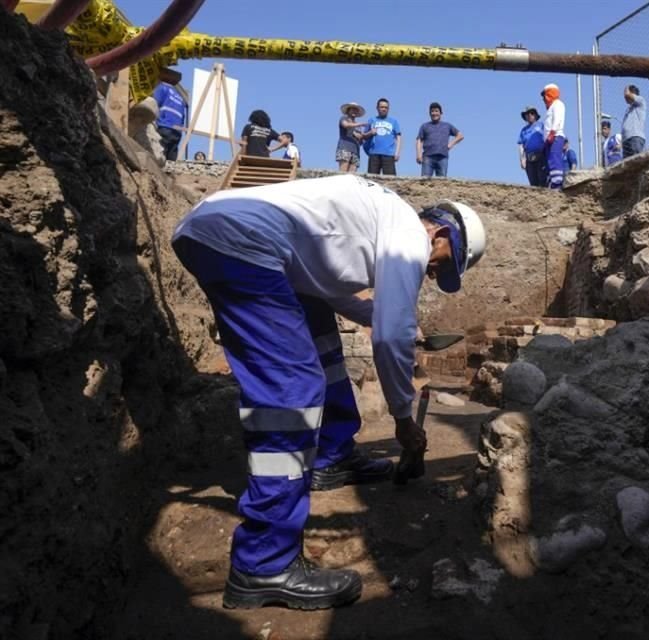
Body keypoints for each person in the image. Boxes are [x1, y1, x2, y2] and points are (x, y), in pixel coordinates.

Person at [171, 174, 487, 610]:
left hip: (223, 229)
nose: (434, 273)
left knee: (319, 333)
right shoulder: (409, 236)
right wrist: (402, 419)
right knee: (291, 392)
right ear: (440, 232)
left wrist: (391, 322)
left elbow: (336, 297)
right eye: (443, 263)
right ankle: (263, 565)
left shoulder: (376, 219)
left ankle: (331, 458)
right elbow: (389, 337)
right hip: (240, 242)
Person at [415, 102, 464, 178]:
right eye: (432, 111)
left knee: (441, 183)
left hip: (442, 157)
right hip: (428, 157)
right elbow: (419, 140)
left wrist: (450, 145)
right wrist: (418, 154)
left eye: (436, 111)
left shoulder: (447, 126)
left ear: (441, 113)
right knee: (424, 182)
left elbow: (460, 135)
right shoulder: (424, 126)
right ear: (430, 113)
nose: (434, 113)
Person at [362, 98, 402, 175]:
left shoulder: (393, 121)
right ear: (377, 108)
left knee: (390, 181)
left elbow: (399, 138)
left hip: (389, 154)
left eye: (386, 107)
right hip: (374, 154)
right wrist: (370, 133)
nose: (384, 109)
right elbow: (363, 136)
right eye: (382, 107)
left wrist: (397, 153)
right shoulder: (371, 120)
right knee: (372, 181)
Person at [153, 80, 187, 161]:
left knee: (159, 156)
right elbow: (183, 117)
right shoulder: (180, 98)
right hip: (177, 131)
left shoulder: (162, 87)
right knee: (171, 160)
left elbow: (153, 104)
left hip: (165, 126)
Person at [541, 83, 566, 190]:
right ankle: (552, 182)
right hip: (550, 139)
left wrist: (552, 133)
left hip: (555, 137)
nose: (543, 99)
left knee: (555, 159)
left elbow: (557, 119)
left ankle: (557, 183)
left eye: (545, 95)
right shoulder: (551, 107)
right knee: (550, 161)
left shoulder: (557, 104)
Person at [517, 106, 546, 187]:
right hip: (529, 158)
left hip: (541, 156)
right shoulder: (524, 130)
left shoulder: (542, 126)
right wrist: (522, 159)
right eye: (527, 114)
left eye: (532, 113)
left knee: (542, 179)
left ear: (536, 115)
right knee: (533, 182)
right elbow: (521, 145)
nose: (529, 115)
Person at [336, 102, 367, 173]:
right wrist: (361, 124)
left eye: (356, 110)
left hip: (356, 151)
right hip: (345, 149)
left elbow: (360, 142)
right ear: (348, 110)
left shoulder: (358, 126)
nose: (354, 111)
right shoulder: (344, 118)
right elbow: (345, 125)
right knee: (342, 175)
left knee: (352, 177)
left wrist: (362, 137)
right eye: (352, 109)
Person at [622, 85, 646, 159]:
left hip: (635, 137)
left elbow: (627, 95)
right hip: (626, 139)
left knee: (637, 161)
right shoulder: (629, 109)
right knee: (628, 166)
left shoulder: (641, 101)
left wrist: (626, 88)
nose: (624, 98)